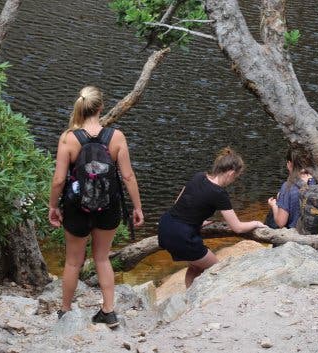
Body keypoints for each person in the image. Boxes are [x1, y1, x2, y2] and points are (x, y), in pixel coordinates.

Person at [48, 86, 144, 328]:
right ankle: (108, 311)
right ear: (101, 108)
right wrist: (137, 208)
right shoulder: (116, 137)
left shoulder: (68, 138)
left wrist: (52, 206)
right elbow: (129, 176)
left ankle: (65, 311)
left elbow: (59, 180)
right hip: (108, 206)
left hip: (76, 207)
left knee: (72, 262)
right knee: (102, 258)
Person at [158, 147, 266, 288]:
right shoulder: (219, 193)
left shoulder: (199, 176)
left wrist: (197, 220)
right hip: (182, 237)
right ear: (231, 173)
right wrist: (256, 223)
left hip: (165, 225)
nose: (235, 180)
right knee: (217, 270)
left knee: (196, 266)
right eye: (236, 177)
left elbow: (178, 202)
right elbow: (237, 228)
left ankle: (190, 298)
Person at [266, 147, 307, 229]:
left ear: (289, 164)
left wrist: (274, 205)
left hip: (297, 236)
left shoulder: (287, 187)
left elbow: (281, 223)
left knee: (273, 213)